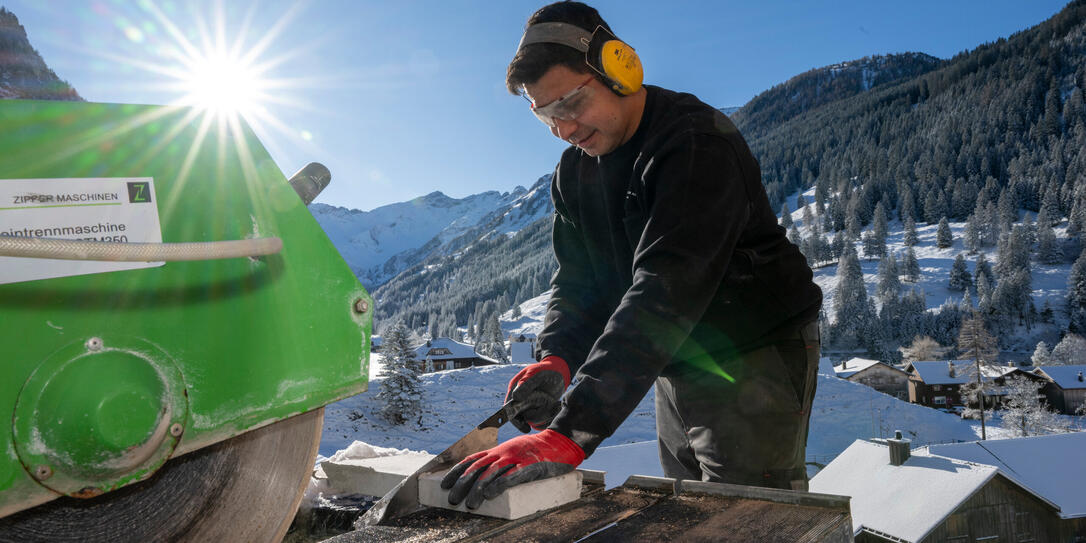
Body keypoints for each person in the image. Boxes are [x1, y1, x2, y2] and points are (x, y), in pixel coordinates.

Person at [441, 1, 823, 510]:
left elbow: (666, 287)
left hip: (752, 347)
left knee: (750, 509)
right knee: (689, 500)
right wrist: (556, 356)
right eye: (547, 115)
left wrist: (570, 432)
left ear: (619, 69)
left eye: (572, 104)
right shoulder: (575, 173)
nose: (565, 129)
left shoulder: (694, 143)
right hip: (675, 352)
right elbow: (579, 279)